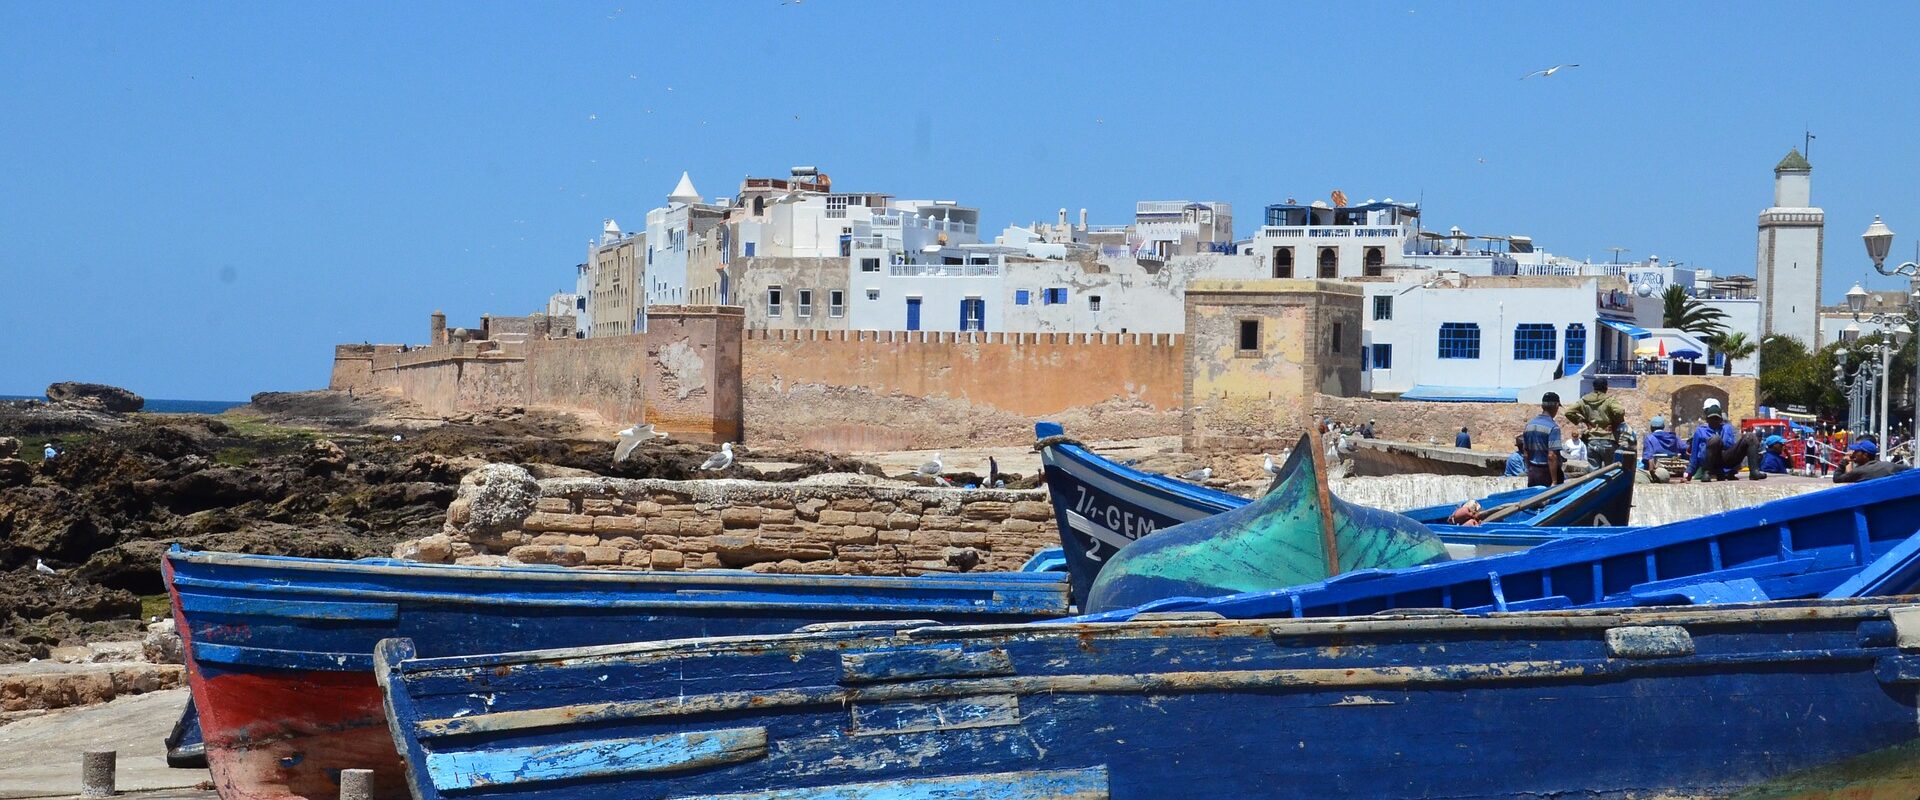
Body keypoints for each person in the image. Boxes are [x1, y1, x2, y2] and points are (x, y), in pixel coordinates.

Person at [1685, 399, 1765, 481]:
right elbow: (1694, 456)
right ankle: (1707, 472)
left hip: (1726, 460)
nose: (1714, 421)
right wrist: (1689, 473)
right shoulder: (1700, 431)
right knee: (1714, 439)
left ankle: (1754, 471)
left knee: (1750, 436)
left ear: (1720, 419)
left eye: (1716, 418)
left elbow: (1731, 447)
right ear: (1707, 419)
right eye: (1711, 418)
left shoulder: (1727, 428)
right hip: (1710, 462)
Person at [1564, 376, 1626, 467]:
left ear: (1594, 387)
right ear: (1606, 387)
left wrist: (1583, 420)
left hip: (1592, 440)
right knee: (1610, 470)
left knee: (1594, 472)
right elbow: (1620, 411)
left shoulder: (1584, 401)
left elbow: (1568, 412)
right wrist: (1614, 423)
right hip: (1608, 439)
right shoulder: (1609, 400)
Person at [1521, 392, 1565, 487]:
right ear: (1556, 406)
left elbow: (1525, 452)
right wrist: (1554, 481)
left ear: (1542, 406)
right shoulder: (1553, 428)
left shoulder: (1529, 425)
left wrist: (1529, 470)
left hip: (1533, 471)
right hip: (1547, 473)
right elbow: (1551, 456)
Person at [1835, 439, 1912, 483]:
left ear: (1865, 455)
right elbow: (1911, 470)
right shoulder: (1889, 465)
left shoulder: (1858, 472)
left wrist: (1844, 461)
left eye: (1856, 451)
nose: (1853, 453)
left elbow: (1837, 478)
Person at [1639, 416, 1684, 481]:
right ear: (1663, 427)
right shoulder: (1674, 437)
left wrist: (1651, 474)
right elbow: (1684, 448)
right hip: (1675, 469)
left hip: (1658, 472)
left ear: (1651, 427)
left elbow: (1648, 458)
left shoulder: (1649, 438)